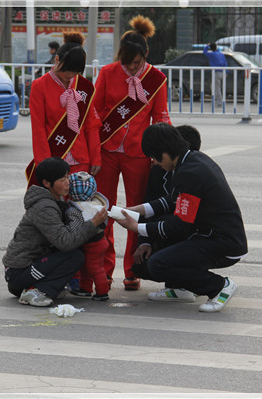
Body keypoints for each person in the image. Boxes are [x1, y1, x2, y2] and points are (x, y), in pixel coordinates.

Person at [114, 123, 248, 313]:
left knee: (158, 263)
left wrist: (136, 227)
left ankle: (219, 287)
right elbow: (171, 200)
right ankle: (181, 290)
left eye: (154, 156)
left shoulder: (190, 172)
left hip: (222, 242)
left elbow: (179, 226)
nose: (154, 162)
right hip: (211, 236)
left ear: (165, 152)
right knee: (151, 263)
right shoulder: (192, 160)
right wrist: (136, 210)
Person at [94, 15, 171, 291]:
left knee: (135, 213)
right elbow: (94, 112)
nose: (131, 68)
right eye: (126, 62)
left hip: (139, 154)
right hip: (106, 151)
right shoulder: (107, 73)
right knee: (104, 209)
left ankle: (132, 269)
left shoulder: (156, 79)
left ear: (146, 55)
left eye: (136, 63)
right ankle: (103, 268)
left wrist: (161, 154)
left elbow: (160, 117)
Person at [2, 157, 108, 307]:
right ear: (47, 183)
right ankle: (38, 291)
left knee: (77, 251)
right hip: (19, 274)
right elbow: (65, 242)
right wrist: (92, 224)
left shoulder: (56, 201)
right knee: (75, 256)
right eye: (62, 179)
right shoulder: (45, 207)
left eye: (67, 177)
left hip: (31, 266)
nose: (68, 182)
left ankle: (44, 287)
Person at [131, 125, 202, 302]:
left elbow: (184, 221)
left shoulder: (195, 173)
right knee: (142, 266)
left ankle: (192, 284)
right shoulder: (157, 171)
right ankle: (177, 286)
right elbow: (150, 205)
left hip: (195, 235)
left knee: (173, 231)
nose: (155, 161)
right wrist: (145, 240)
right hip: (169, 230)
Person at [26, 32, 101, 187]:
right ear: (57, 60)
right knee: (55, 208)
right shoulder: (40, 86)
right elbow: (38, 128)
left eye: (75, 72)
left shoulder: (85, 87)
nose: (71, 75)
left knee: (80, 208)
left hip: (81, 159)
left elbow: (91, 125)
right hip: (54, 159)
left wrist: (96, 157)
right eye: (67, 71)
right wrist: (44, 163)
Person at [66, 171, 110, 301]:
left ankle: (102, 292)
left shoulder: (75, 210)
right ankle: (85, 288)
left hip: (91, 244)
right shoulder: (98, 205)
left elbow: (74, 229)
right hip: (100, 241)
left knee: (95, 268)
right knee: (87, 267)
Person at [203, 42, 228, 109]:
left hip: (216, 73)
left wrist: (206, 46)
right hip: (222, 72)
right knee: (213, 86)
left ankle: (219, 101)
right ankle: (215, 99)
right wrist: (227, 72)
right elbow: (225, 63)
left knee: (217, 88)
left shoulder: (212, 54)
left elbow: (205, 52)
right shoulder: (221, 54)